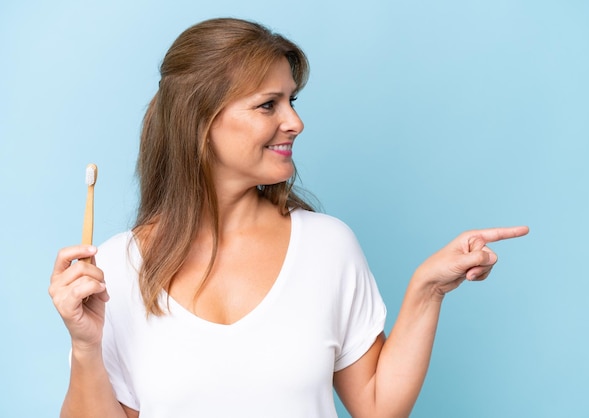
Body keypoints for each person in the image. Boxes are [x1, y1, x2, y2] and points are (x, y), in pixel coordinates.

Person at [49, 17, 529, 418]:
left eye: (291, 100)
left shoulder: (328, 246)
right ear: (199, 120)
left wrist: (427, 288)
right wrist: (86, 346)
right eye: (267, 105)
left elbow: (379, 406)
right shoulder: (115, 270)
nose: (294, 122)